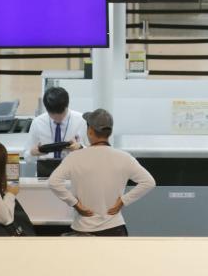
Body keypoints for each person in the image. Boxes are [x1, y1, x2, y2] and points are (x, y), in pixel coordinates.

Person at [48, 108, 155, 236]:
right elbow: (149, 182)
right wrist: (123, 201)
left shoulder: (74, 157)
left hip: (83, 228)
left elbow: (53, 182)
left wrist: (75, 203)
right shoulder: (124, 157)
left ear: (90, 131)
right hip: (114, 227)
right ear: (109, 132)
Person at [25, 86, 87, 161]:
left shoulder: (82, 120)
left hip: (73, 169)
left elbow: (93, 153)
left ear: (67, 106)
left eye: (61, 114)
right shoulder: (38, 123)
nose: (57, 118)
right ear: (46, 109)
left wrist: (80, 148)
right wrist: (32, 153)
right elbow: (27, 157)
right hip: (46, 170)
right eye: (52, 115)